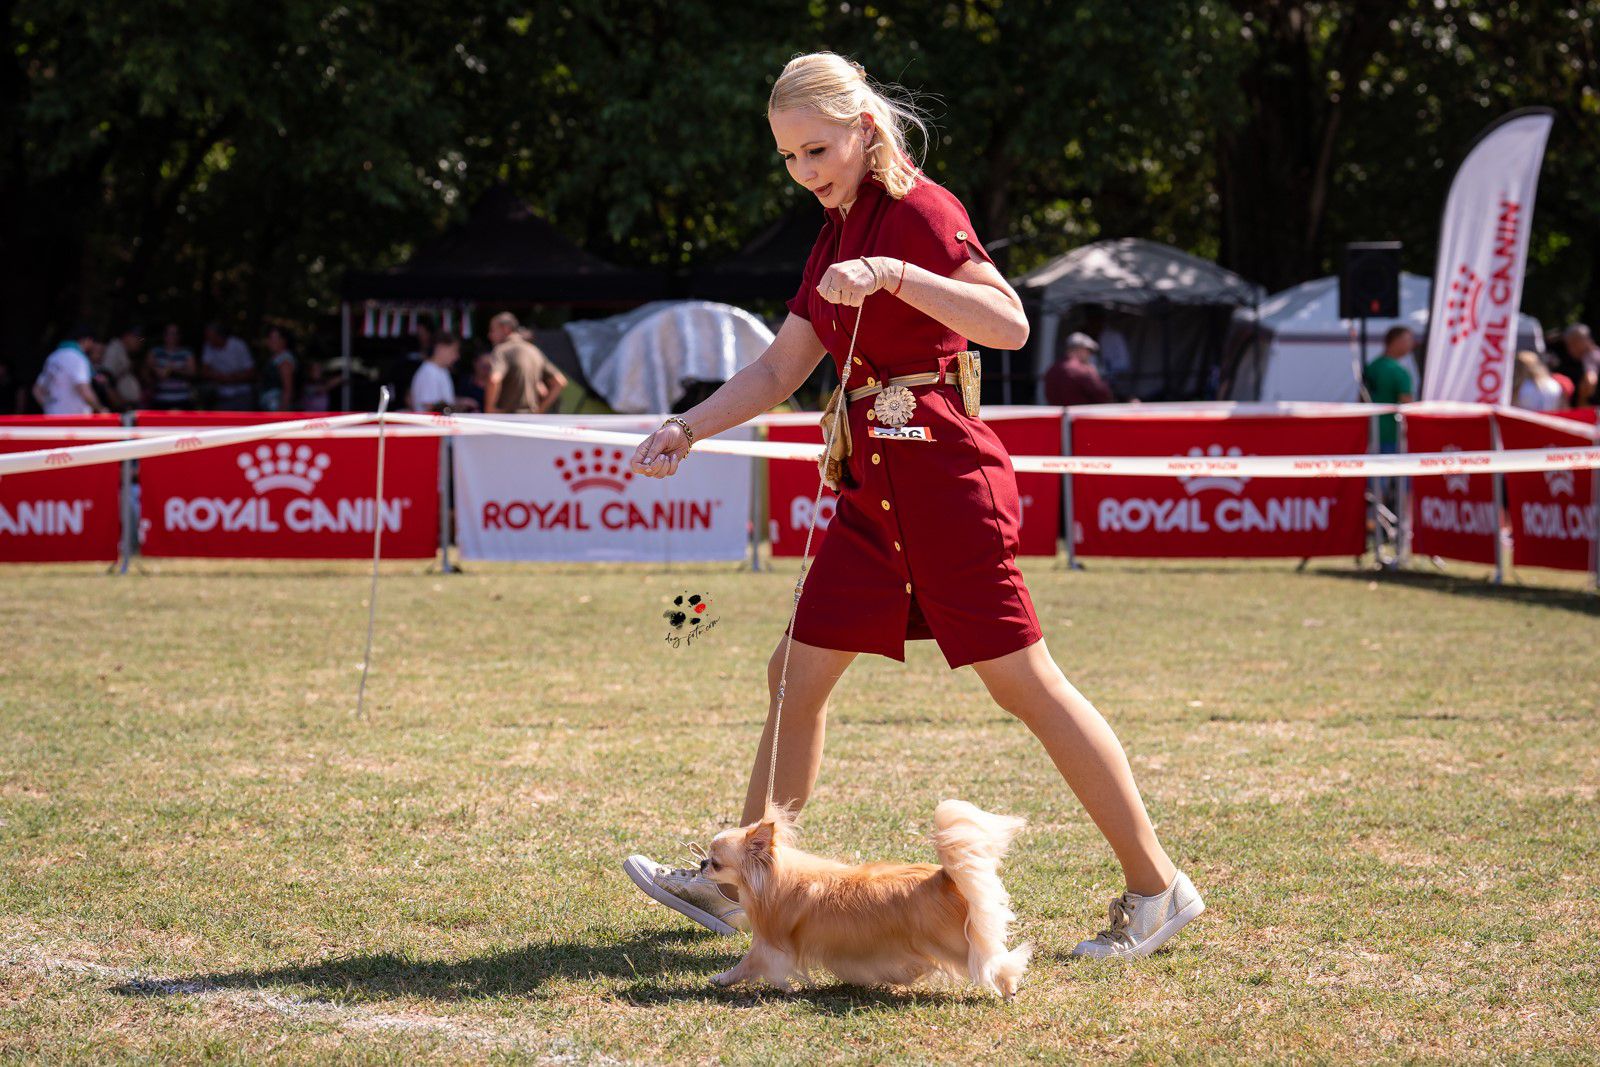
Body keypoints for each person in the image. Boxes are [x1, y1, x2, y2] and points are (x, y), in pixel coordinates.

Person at [620, 52, 1203, 961]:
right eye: (787, 158)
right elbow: (781, 369)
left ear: (863, 129)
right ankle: (738, 881)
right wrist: (685, 427)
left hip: (945, 489)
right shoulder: (831, 232)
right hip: (870, 494)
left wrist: (895, 272)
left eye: (817, 149)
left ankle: (1156, 885)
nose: (805, 172)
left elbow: (1005, 322)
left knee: (1029, 689)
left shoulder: (923, 213)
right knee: (795, 676)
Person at [484, 312, 566, 414]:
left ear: (505, 329)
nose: (490, 335)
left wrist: (489, 410)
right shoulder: (534, 351)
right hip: (530, 419)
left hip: (507, 419)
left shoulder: (502, 350)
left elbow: (494, 380)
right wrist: (540, 411)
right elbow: (560, 382)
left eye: (493, 330)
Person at [32, 325, 107, 415]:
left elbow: (37, 390)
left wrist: (50, 409)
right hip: (73, 419)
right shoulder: (78, 358)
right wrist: (100, 409)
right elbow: (84, 390)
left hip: (52, 418)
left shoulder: (53, 356)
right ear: (88, 340)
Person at [407, 330, 474, 412]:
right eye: (454, 351)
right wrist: (458, 405)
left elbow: (444, 400)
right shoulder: (429, 372)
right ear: (440, 348)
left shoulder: (442, 370)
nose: (456, 356)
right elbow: (430, 406)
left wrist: (462, 402)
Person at [1043, 331, 1114, 406]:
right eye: (1088, 351)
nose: (1089, 355)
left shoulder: (1052, 369)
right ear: (1080, 349)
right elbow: (1103, 395)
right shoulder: (1083, 370)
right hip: (1081, 416)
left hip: (1056, 416)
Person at [201, 323, 257, 410]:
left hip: (242, 395)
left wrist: (232, 378)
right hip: (222, 396)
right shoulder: (208, 347)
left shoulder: (238, 345)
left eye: (210, 336)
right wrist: (219, 377)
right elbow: (204, 371)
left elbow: (251, 372)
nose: (207, 339)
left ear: (219, 336)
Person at [144, 323, 197, 410]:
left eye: (174, 333)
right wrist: (155, 371)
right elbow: (145, 372)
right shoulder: (155, 352)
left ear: (179, 336)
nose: (171, 336)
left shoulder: (186, 353)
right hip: (160, 399)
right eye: (168, 333)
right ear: (164, 335)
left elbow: (193, 373)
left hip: (182, 399)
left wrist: (172, 371)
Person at [98, 325, 146, 410]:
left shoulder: (123, 351)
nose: (139, 342)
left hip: (127, 405)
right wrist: (121, 405)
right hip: (120, 408)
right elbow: (105, 380)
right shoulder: (114, 350)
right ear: (127, 336)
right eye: (137, 338)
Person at [259, 326, 298, 411]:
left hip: (277, 408)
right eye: (270, 338)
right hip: (268, 406)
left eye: (275, 338)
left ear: (284, 341)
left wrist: (281, 413)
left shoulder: (285, 360)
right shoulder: (274, 358)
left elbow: (288, 389)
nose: (271, 342)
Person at [1565, 324, 1597, 407]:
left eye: (1571, 344)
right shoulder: (1596, 354)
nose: (1569, 349)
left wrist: (1582, 402)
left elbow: (1590, 381)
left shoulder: (1590, 357)